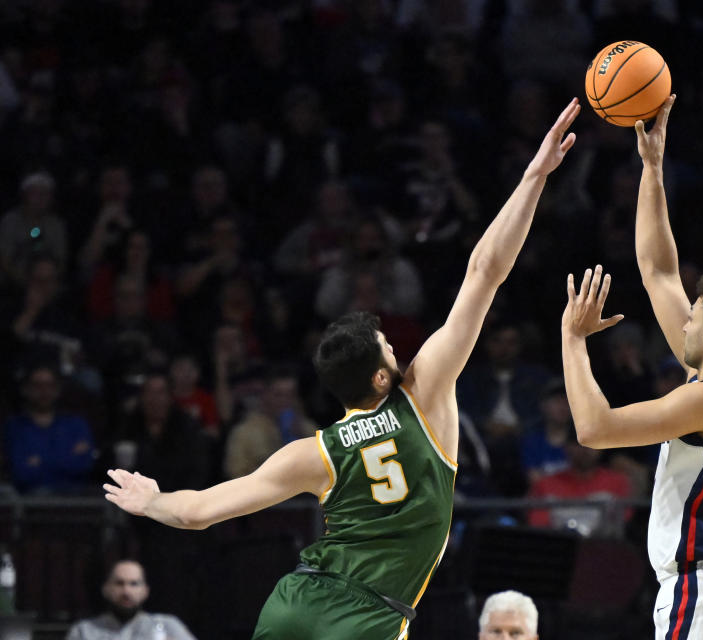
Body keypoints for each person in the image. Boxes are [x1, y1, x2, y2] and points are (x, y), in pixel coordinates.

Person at [102, 98, 582, 640]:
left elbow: (200, 513)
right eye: (388, 348)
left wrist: (153, 501)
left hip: (295, 601)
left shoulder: (315, 452)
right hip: (368, 614)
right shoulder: (424, 393)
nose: (399, 352)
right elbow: (483, 271)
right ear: (381, 377)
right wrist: (533, 178)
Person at [559, 96, 703, 640]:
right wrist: (653, 167)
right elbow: (658, 270)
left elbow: (595, 429)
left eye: (695, 316)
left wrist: (573, 341)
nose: (683, 321)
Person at [2, 362, 96, 494]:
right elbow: (21, 473)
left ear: (58, 389)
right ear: (25, 389)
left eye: (50, 385)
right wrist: (66, 457)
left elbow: (84, 465)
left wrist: (39, 462)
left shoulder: (76, 425)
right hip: (29, 501)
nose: (44, 391)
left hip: (75, 500)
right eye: (37, 386)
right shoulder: (15, 427)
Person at [66, 559, 196, 640]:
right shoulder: (84, 631)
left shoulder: (166, 626)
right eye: (119, 583)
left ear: (145, 590)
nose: (126, 591)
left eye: (134, 584)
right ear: (105, 589)